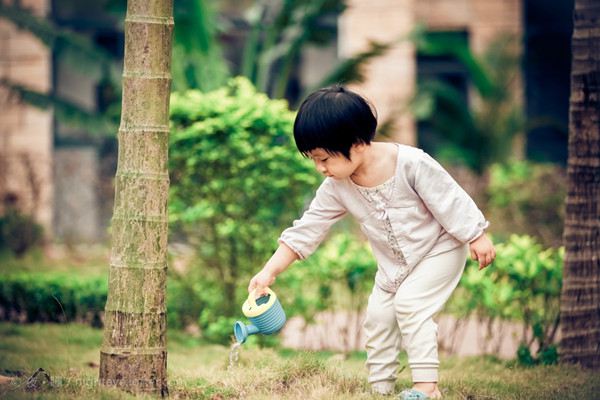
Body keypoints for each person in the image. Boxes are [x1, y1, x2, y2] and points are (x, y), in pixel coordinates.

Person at [247, 85, 495, 399]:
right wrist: (269, 271)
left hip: (440, 249)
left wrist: (475, 234)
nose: (320, 168)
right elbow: (306, 230)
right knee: (378, 320)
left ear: (358, 143)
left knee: (410, 306)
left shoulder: (411, 164)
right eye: (314, 160)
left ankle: (426, 389)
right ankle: (380, 389)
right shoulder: (336, 185)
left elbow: (449, 198)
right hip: (393, 267)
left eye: (324, 158)